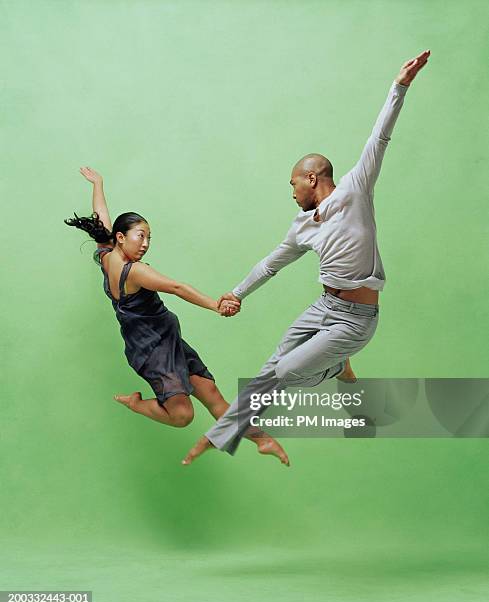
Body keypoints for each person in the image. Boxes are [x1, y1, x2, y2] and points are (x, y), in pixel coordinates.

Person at [182, 50, 431, 465]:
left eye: (294, 183)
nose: (292, 191)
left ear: (312, 178)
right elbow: (270, 264)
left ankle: (337, 369)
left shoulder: (356, 190)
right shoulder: (302, 226)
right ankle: (218, 437)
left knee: (285, 372)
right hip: (325, 306)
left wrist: (399, 86)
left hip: (356, 319)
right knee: (270, 368)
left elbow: (379, 138)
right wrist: (237, 293)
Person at [64, 167, 289, 464]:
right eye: (140, 236)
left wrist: (98, 183)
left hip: (169, 341)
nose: (145, 244)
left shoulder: (107, 254)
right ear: (121, 237)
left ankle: (263, 440)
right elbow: (177, 287)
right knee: (183, 415)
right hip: (152, 349)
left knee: (213, 397)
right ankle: (136, 404)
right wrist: (216, 305)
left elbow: (101, 216)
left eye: (149, 238)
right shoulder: (136, 272)